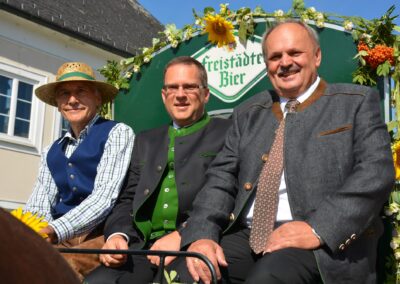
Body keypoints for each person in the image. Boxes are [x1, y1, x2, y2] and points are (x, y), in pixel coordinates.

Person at [176, 20, 395, 284]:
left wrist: (318, 228)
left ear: (316, 56)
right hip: (248, 235)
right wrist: (202, 235)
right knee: (184, 273)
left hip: (319, 243)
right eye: (275, 56)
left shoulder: (355, 103)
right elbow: (221, 179)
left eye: (295, 53)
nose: (284, 62)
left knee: (268, 278)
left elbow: (376, 171)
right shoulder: (248, 113)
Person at [85, 56, 231, 284]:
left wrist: (184, 234)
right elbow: (126, 199)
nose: (180, 95)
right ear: (164, 96)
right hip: (142, 247)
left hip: (195, 243)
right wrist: (117, 235)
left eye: (190, 87)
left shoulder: (227, 132)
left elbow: (231, 195)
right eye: (173, 87)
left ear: (206, 94)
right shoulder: (145, 140)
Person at [25, 62, 134, 280]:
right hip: (60, 235)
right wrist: (29, 231)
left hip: (102, 233)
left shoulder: (117, 132)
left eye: (80, 92)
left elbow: (105, 198)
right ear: (57, 104)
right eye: (64, 94)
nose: (72, 100)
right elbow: (39, 204)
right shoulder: (50, 150)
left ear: (98, 99)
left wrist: (54, 231)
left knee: (58, 267)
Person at [0, 208, 80, 284]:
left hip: (81, 228)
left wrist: (54, 229)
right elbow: (44, 196)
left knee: (63, 266)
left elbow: (92, 207)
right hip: (50, 225)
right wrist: (37, 222)